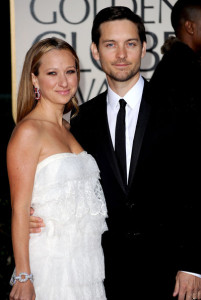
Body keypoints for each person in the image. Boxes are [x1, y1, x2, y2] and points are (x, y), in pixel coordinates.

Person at [29, 6, 201, 300]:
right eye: (110, 44)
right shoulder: (81, 121)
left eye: (130, 44)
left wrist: (193, 265)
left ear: (144, 48)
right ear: (95, 51)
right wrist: (31, 213)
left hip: (173, 274)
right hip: (104, 274)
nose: (121, 54)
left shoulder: (181, 107)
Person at [7, 37, 107, 300]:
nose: (64, 82)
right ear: (34, 79)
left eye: (70, 71)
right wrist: (24, 277)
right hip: (50, 265)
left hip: (86, 265)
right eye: (52, 73)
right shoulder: (29, 131)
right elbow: (19, 210)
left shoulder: (70, 128)